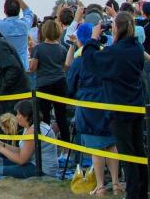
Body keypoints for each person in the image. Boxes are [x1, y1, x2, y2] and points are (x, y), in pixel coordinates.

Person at [83, 11, 148, 199]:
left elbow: (89, 60)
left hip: (120, 110)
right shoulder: (136, 48)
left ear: (116, 28)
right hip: (136, 106)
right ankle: (141, 191)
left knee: (128, 156)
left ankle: (135, 194)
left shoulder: (116, 52)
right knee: (138, 153)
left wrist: (94, 38)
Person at [66, 23, 122, 195]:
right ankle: (116, 183)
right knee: (111, 144)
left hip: (88, 107)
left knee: (97, 149)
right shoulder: (105, 55)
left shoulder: (79, 61)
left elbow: (70, 87)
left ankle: (100, 185)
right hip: (108, 104)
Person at [29, 18, 70, 142]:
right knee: (61, 116)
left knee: (44, 116)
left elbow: (33, 68)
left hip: (44, 84)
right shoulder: (62, 49)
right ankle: (66, 144)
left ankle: (45, 142)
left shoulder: (39, 48)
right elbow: (65, 67)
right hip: (60, 83)